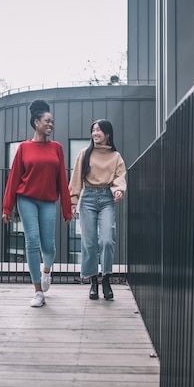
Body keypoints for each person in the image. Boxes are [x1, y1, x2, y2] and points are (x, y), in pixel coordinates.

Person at [2, 99, 73, 307]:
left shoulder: (57, 148)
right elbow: (13, 179)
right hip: (26, 199)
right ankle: (37, 291)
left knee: (48, 247)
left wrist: (67, 211)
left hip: (48, 202)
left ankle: (46, 271)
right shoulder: (24, 148)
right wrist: (7, 207)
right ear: (36, 123)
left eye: (52, 122)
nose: (51, 124)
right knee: (32, 242)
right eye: (47, 121)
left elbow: (62, 180)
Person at [69, 119, 127, 300]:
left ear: (107, 134)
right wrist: (73, 201)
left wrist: (118, 190)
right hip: (87, 199)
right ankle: (93, 280)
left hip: (106, 199)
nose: (95, 133)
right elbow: (76, 179)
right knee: (89, 242)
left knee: (107, 239)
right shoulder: (84, 154)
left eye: (99, 130)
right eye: (93, 130)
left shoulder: (115, 156)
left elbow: (120, 177)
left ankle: (106, 278)